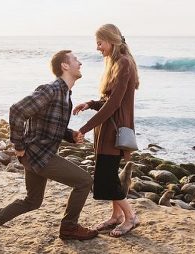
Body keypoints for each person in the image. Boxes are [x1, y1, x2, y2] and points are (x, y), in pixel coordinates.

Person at [0, 50, 98, 241]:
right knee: (84, 181)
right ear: (65, 66)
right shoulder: (51, 90)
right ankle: (69, 228)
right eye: (76, 60)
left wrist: (71, 135)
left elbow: (53, 126)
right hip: (39, 155)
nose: (80, 63)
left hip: (36, 155)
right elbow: (17, 110)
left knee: (32, 201)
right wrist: (18, 146)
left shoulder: (64, 95)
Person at [72, 24, 140, 238]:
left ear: (111, 40)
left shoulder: (124, 63)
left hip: (114, 130)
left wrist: (84, 128)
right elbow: (107, 100)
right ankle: (116, 216)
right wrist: (90, 104)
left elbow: (114, 105)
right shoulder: (116, 63)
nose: (98, 47)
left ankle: (130, 217)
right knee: (108, 174)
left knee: (105, 178)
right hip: (107, 130)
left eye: (100, 43)